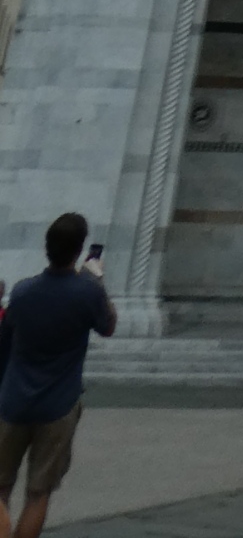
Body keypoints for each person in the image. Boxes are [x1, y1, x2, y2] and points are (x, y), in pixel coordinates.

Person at [0, 212, 116, 538]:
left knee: (0, 487)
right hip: (58, 404)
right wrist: (96, 281)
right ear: (79, 251)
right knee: (38, 493)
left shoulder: (22, 292)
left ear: (46, 248)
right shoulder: (87, 292)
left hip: (13, 400)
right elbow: (108, 325)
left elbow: (5, 341)